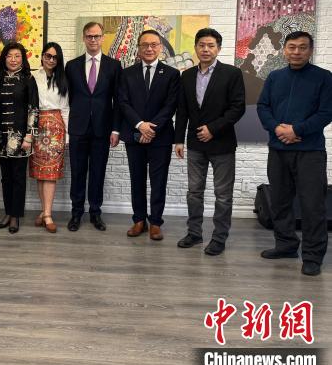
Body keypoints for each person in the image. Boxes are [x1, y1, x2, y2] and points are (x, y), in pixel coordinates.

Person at [257, 31, 332, 276]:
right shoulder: (275, 77)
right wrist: (278, 129)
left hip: (310, 151)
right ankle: (286, 245)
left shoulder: (324, 77)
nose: (296, 52)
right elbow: (263, 106)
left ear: (310, 50)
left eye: (302, 47)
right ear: (284, 50)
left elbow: (326, 112)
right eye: (292, 47)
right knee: (280, 201)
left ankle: (312, 256)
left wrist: (297, 130)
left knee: (312, 205)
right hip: (278, 149)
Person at [174, 28, 245, 256]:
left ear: (218, 49)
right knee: (194, 192)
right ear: (196, 47)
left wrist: (212, 129)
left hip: (222, 144)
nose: (206, 49)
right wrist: (178, 140)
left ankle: (219, 238)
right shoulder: (186, 75)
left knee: (223, 195)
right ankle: (194, 233)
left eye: (211, 45)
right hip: (195, 144)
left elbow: (237, 108)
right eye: (202, 45)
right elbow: (182, 110)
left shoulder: (232, 73)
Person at [118, 30, 181, 241]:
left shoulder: (172, 74)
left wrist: (151, 128)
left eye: (154, 44)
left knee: (158, 182)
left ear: (160, 47)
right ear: (138, 48)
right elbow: (123, 102)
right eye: (145, 44)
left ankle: (155, 222)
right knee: (136, 180)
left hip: (160, 137)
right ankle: (139, 220)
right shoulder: (127, 73)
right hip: (134, 135)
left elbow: (170, 105)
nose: (149, 48)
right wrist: (140, 125)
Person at [65, 21, 121, 231]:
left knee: (98, 173)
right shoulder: (72, 66)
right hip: (78, 128)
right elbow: (67, 99)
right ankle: (76, 213)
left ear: (103, 38)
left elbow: (118, 101)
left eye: (97, 36)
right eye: (89, 36)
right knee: (78, 172)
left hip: (102, 129)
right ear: (84, 38)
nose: (93, 40)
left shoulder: (114, 66)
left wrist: (115, 129)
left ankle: (95, 213)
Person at [0, 42, 39, 234]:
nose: (13, 59)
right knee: (6, 177)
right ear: (4, 58)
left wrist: (29, 136)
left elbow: (33, 109)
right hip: (1, 137)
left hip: (21, 137)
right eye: (9, 56)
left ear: (22, 59)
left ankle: (15, 216)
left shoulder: (28, 79)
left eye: (17, 56)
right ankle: (8, 212)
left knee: (18, 177)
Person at [29, 42, 69, 234]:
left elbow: (66, 108)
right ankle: (44, 211)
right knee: (40, 172)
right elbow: (30, 105)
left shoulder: (63, 79)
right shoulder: (33, 76)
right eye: (48, 56)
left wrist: (67, 136)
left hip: (56, 127)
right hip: (37, 125)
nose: (51, 60)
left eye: (54, 57)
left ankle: (47, 214)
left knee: (51, 173)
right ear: (42, 56)